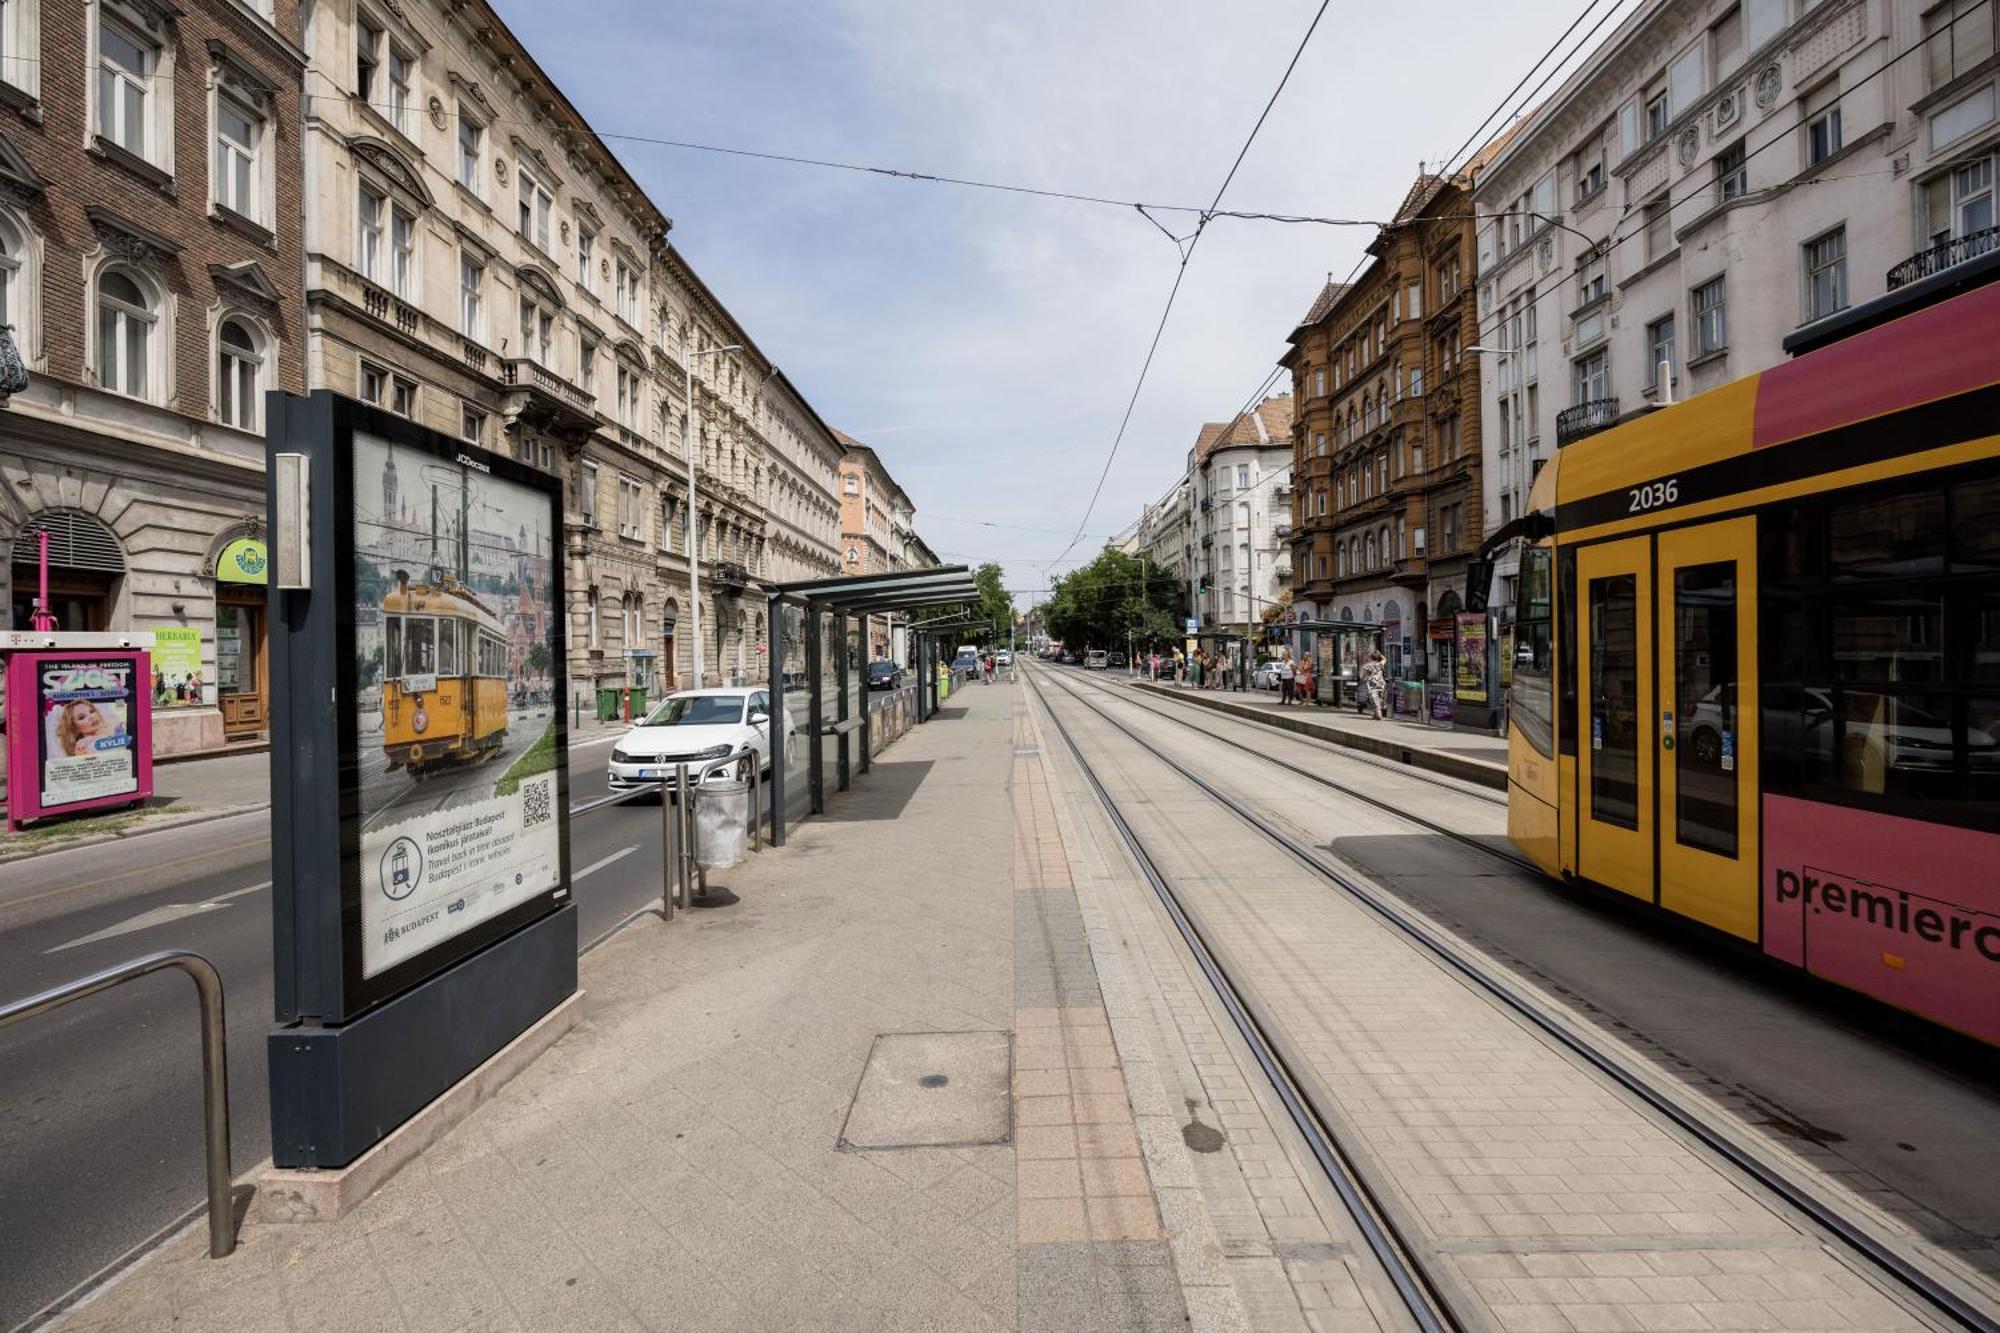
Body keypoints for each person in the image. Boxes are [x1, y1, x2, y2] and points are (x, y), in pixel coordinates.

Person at [1360, 649, 1388, 720]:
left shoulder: (1366, 666)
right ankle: (1375, 715)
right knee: (1379, 699)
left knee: (1374, 700)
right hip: (1381, 684)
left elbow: (1362, 677)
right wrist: (1379, 654)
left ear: (1370, 658)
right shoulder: (1380, 664)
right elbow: (1384, 659)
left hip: (1372, 684)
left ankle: (1378, 714)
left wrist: (1366, 677)